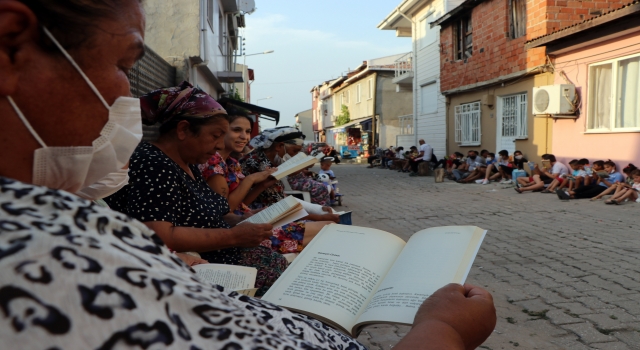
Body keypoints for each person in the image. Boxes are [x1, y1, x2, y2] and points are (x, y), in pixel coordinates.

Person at [0, 1, 496, 348]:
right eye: (122, 64)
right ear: (9, 45)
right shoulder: (37, 256)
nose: (127, 95)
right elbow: (175, 232)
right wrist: (442, 333)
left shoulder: (58, 217)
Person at [104, 82, 287, 296]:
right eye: (215, 135)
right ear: (183, 130)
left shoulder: (189, 164)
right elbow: (159, 235)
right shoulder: (154, 164)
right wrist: (234, 237)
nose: (220, 145)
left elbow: (204, 214)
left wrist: (240, 220)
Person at [199, 107, 333, 254]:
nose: (244, 136)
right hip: (238, 229)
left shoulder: (231, 162)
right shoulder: (213, 163)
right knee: (327, 228)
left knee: (328, 226)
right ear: (222, 131)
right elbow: (225, 210)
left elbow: (242, 203)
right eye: (237, 130)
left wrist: (261, 185)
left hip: (249, 218)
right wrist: (250, 180)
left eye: (248, 131)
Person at [240, 127, 337, 211]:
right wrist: (317, 213)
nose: (295, 156)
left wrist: (317, 210)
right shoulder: (263, 166)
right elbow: (278, 204)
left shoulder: (263, 159)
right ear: (279, 146)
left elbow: (281, 199)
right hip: (258, 213)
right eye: (295, 151)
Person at [557, 160, 624, 200]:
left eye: (608, 167)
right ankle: (569, 193)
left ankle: (572, 196)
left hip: (605, 188)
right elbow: (598, 183)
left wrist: (604, 181)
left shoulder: (618, 175)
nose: (606, 169)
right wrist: (600, 179)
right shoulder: (606, 173)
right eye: (605, 167)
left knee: (591, 192)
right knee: (585, 187)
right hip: (599, 185)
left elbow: (614, 186)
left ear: (613, 167)